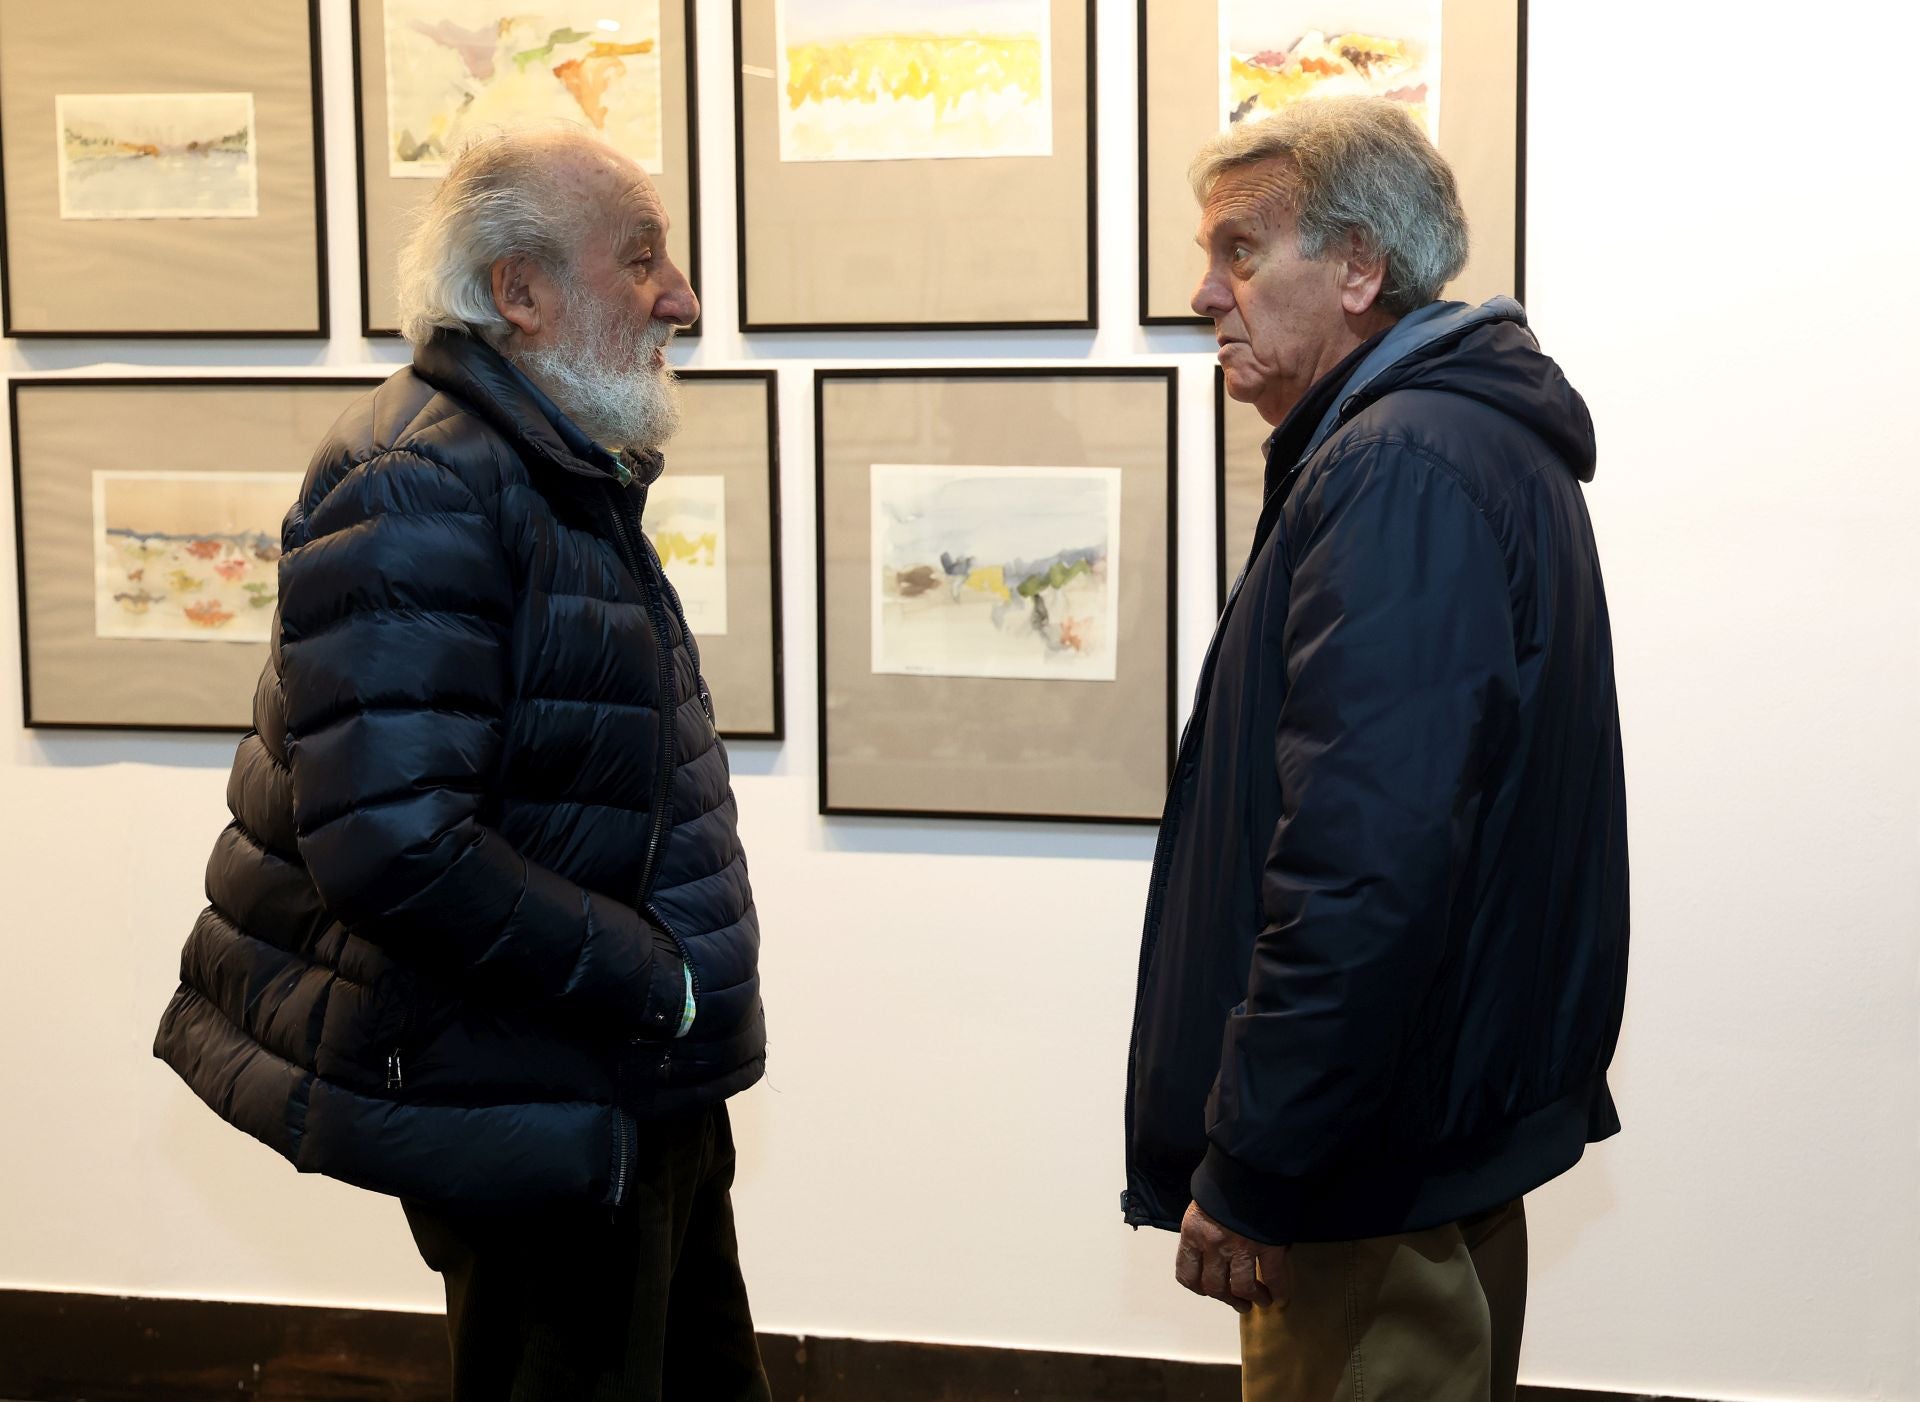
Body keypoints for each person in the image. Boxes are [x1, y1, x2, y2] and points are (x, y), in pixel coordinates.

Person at [153, 126, 771, 1402]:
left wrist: (666, 1013)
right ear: (520, 292)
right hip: (541, 1093)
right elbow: (394, 846)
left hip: (616, 1083)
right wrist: (651, 980)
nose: (684, 298)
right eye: (643, 259)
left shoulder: (546, 468)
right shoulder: (422, 478)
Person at [1121, 97, 1628, 1402]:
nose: (1203, 290)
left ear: (1358, 270)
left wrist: (1258, 1164)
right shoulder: (1466, 440)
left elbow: (1365, 864)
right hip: (1422, 1136)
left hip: (1361, 1175)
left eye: (1241, 251)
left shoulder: (1399, 463)